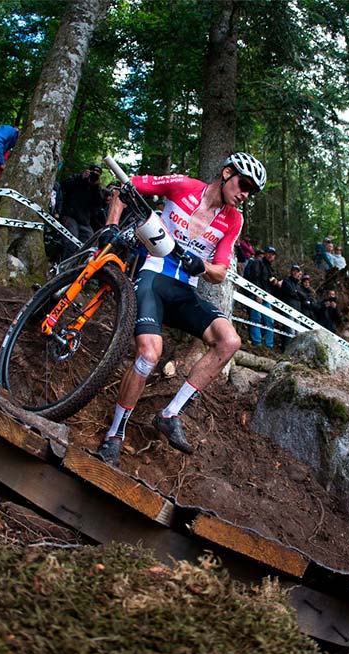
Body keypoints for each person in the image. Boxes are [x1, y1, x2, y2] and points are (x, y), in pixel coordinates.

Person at [91, 152, 266, 464]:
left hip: (185, 289)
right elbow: (124, 187)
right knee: (148, 356)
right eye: (244, 184)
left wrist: (201, 265)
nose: (245, 194)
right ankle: (115, 435)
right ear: (227, 173)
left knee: (230, 340)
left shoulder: (234, 219)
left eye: (252, 192)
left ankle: (170, 415)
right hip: (152, 278)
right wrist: (111, 224)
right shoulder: (183, 185)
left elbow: (220, 272)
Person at [57, 164, 107, 255]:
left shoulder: (96, 189)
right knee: (71, 241)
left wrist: (96, 186)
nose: (94, 175)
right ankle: (64, 264)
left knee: (89, 243)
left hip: (84, 221)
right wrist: (81, 178)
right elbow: (63, 186)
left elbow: (99, 205)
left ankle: (77, 266)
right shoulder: (76, 179)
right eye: (92, 172)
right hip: (70, 215)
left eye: (97, 174)